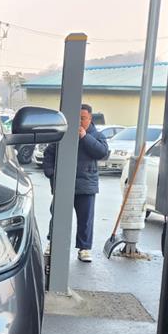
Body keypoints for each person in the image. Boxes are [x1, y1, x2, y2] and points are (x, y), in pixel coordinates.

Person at [43, 104, 110, 262]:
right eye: (77, 118)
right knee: (57, 215)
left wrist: (85, 137)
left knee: (85, 219)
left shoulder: (97, 135)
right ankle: (53, 243)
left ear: (90, 118)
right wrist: (51, 173)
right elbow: (49, 154)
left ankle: (84, 248)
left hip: (86, 184)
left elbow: (102, 153)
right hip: (63, 184)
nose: (79, 121)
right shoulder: (63, 134)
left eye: (83, 118)